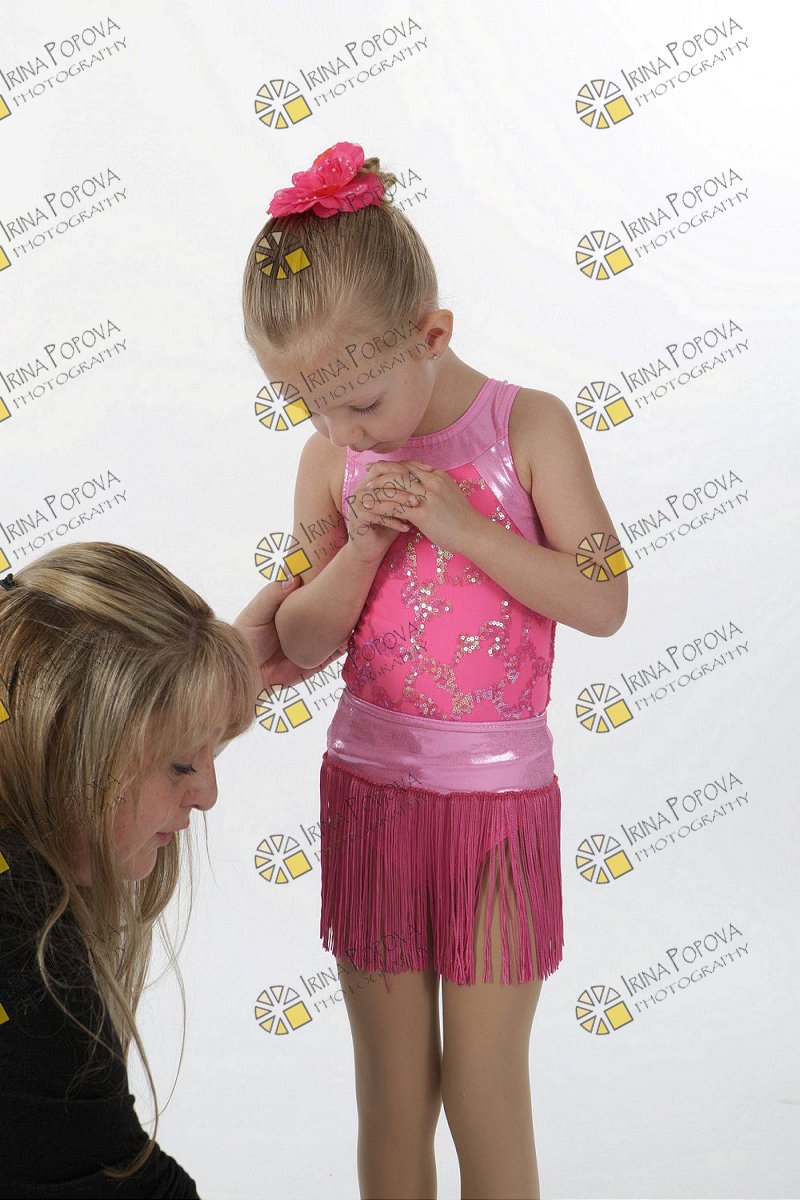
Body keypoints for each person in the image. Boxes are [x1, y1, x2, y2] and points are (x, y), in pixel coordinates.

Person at [240, 140, 629, 1199]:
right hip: (370, 796)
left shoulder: (527, 426)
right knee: (393, 1089)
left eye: (360, 403)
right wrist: (359, 549)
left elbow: (603, 598)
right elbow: (300, 642)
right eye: (308, 407)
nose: (339, 429)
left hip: (498, 806)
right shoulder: (330, 459)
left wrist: (468, 529)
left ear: (431, 336)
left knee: (483, 1089)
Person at [0, 542, 339, 1197]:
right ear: (70, 750)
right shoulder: (32, 977)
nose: (207, 794)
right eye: (182, 763)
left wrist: (212, 687)